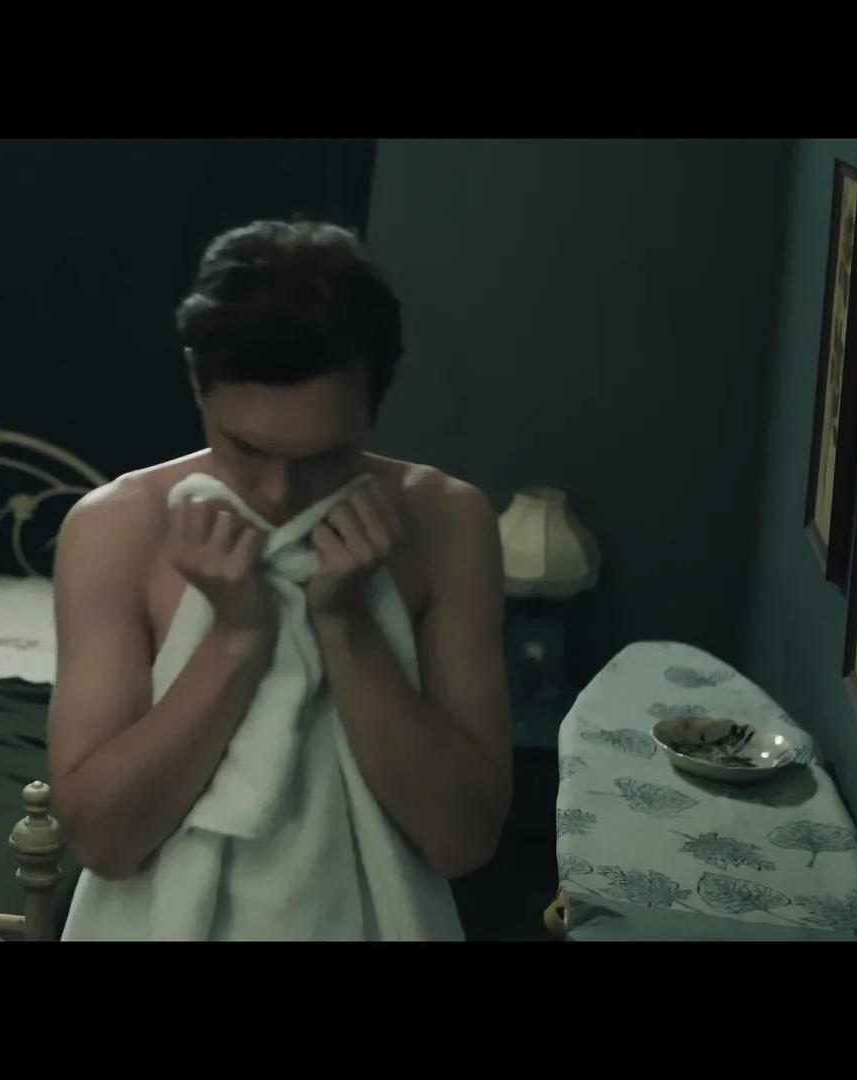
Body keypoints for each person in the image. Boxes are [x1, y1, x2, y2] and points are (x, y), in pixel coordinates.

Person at [46, 219, 513, 938]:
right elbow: (104, 841)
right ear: (197, 383)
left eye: (325, 456)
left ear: (377, 401)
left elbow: (463, 841)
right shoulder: (115, 530)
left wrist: (348, 624)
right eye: (248, 449)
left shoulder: (449, 523)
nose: (279, 494)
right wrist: (235, 637)